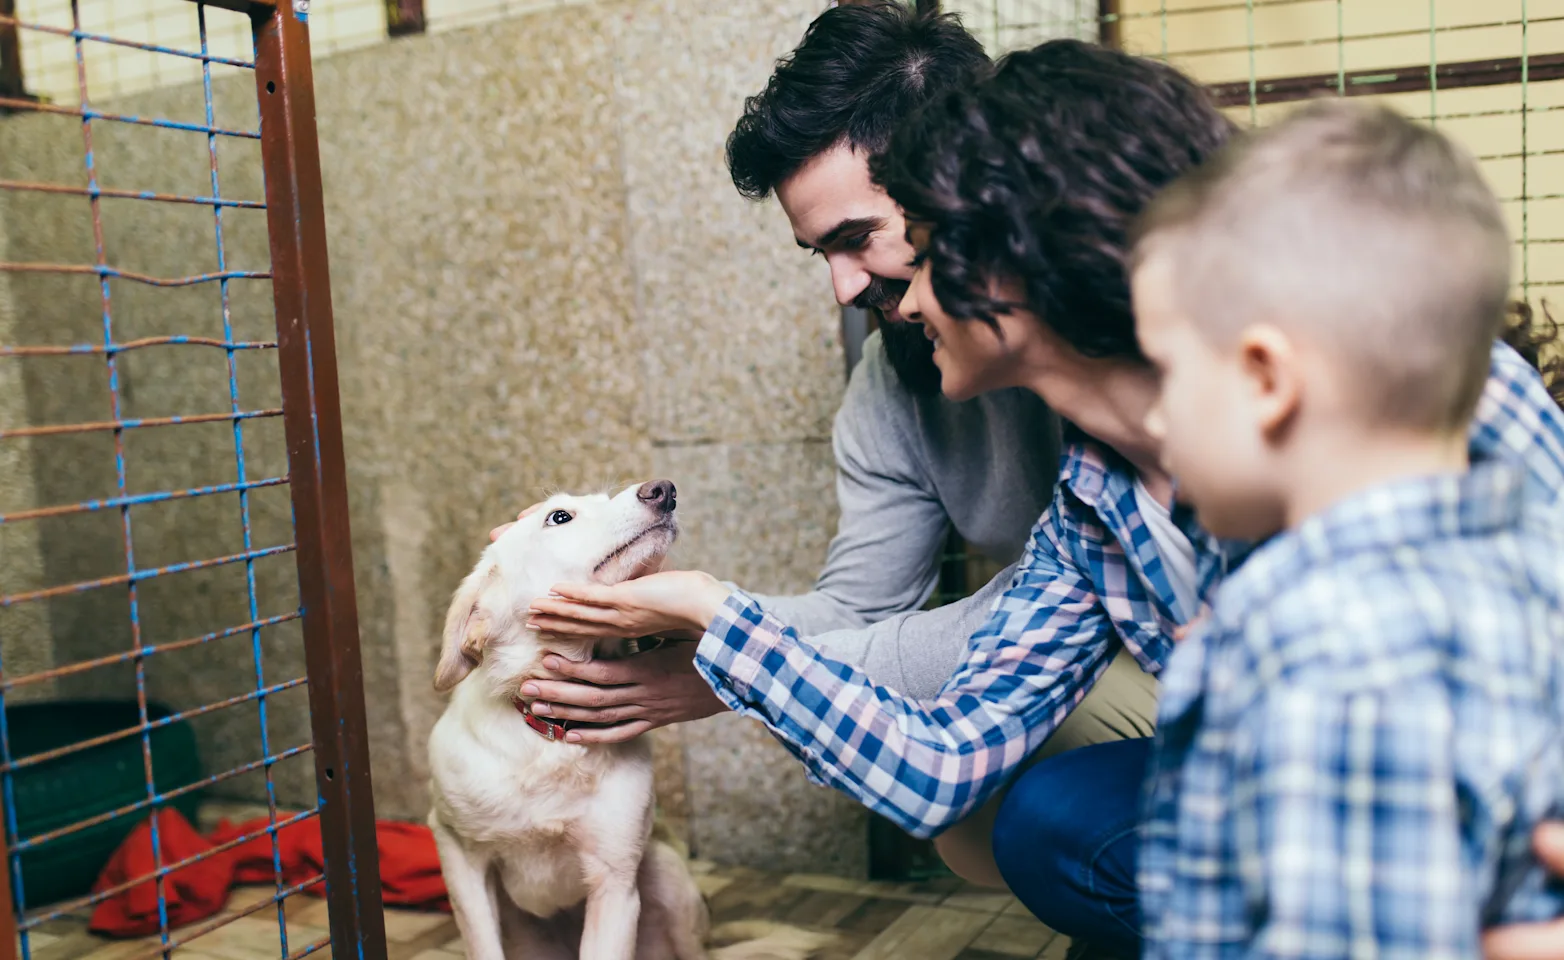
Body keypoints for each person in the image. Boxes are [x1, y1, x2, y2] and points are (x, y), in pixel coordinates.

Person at [522, 41, 1564, 958]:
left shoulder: (1393, 397)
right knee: (1035, 818)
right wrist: (715, 620)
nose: (893, 293)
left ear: (1010, 249)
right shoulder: (1090, 504)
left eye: (915, 250)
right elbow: (935, 765)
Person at [500, 3, 1156, 886]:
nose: (849, 288)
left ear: (974, 189)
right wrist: (707, 632)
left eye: (873, 241)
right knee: (989, 819)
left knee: (1051, 803)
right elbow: (892, 669)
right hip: (1122, 671)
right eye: (821, 255)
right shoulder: (1069, 488)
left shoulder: (1190, 391)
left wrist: (724, 657)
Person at [1130, 97, 1564, 958]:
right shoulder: (1538, 564)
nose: (1151, 420)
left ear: (1265, 379)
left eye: (1166, 371)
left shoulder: (1332, 655)